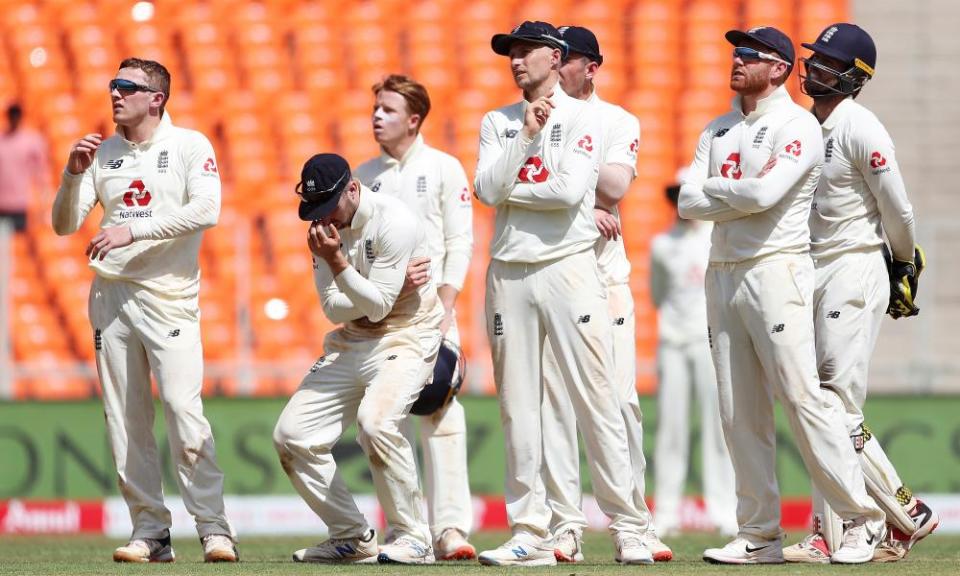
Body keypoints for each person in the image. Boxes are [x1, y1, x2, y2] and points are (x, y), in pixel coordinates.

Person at [677, 26, 886, 565]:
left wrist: (721, 192)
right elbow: (686, 202)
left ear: (778, 68)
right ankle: (759, 534)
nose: (737, 59)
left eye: (750, 53)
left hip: (776, 269)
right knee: (737, 410)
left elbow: (765, 194)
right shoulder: (719, 128)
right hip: (722, 270)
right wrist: (738, 195)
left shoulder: (797, 125)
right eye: (735, 51)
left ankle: (861, 522)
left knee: (802, 398)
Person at [474, 21, 653, 566]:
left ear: (555, 57)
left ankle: (629, 525)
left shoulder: (586, 119)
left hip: (568, 266)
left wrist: (513, 188)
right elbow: (484, 190)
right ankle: (533, 529)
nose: (515, 61)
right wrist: (525, 141)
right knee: (520, 405)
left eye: (526, 51)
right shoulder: (498, 121)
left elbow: (569, 190)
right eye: (510, 52)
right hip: (508, 270)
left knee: (598, 398)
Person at [50, 58, 237, 563]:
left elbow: (207, 208)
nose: (114, 94)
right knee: (125, 418)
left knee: (182, 410)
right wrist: (72, 177)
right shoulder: (105, 152)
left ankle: (214, 528)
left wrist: (133, 229)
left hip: (169, 293)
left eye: (126, 87)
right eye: (112, 85)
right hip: (111, 297)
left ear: (156, 97)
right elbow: (64, 225)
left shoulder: (189, 145)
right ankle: (150, 532)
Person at [781, 23, 939, 564]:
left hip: (854, 267)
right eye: (814, 58)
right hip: (814, 267)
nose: (814, 68)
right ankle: (838, 530)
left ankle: (900, 512)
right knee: (817, 404)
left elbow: (899, 209)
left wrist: (902, 263)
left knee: (834, 406)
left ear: (853, 76)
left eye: (827, 61)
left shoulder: (862, 127)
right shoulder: (806, 126)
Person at [539, 24, 671, 563]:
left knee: (618, 403)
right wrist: (577, 201)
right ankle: (564, 526)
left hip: (603, 278)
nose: (555, 65)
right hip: (550, 274)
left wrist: (571, 185)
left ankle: (629, 523)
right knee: (554, 406)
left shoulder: (616, 120)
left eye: (564, 58)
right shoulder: (535, 116)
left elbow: (615, 187)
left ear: (590, 67)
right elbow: (521, 184)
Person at [273, 153, 442, 565]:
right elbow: (332, 309)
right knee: (291, 436)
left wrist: (339, 264)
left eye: (327, 207)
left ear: (352, 189)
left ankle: (413, 538)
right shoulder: (321, 231)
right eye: (314, 211)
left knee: (376, 423)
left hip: (406, 335)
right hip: (350, 340)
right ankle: (351, 536)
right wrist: (376, 287)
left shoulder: (394, 221)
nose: (322, 220)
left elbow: (382, 307)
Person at [353, 74, 477, 561]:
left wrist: (447, 306)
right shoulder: (365, 177)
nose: (377, 116)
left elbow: (459, 242)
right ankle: (406, 528)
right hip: (383, 319)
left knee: (441, 410)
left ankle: (450, 529)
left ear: (414, 118)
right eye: (375, 108)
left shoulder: (445, 169)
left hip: (433, 312)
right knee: (386, 419)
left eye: (387, 109)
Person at [650, 183, 738, 539]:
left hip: (708, 340)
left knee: (718, 427)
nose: (680, 206)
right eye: (675, 199)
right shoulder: (662, 244)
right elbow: (657, 294)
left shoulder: (713, 238)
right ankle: (667, 511)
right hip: (672, 342)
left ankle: (724, 510)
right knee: (671, 428)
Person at [0, 103, 49, 232]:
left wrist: (43, 197)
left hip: (22, 203)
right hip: (2, 202)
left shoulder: (31, 141)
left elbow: (41, 171)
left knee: (21, 242)